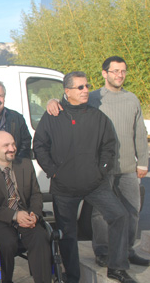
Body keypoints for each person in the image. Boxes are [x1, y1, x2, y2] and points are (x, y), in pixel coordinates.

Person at [46, 56, 149, 268]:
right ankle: (102, 251)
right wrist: (52, 102)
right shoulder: (92, 97)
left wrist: (143, 162)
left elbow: (140, 132)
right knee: (101, 213)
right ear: (105, 73)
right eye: (115, 71)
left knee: (131, 210)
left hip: (128, 166)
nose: (119, 75)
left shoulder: (132, 99)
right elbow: (68, 101)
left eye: (123, 71)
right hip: (102, 169)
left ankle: (126, 251)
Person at [33, 71, 135, 283]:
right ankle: (72, 277)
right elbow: (40, 146)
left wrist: (102, 170)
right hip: (64, 188)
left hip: (94, 184)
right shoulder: (52, 116)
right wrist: (53, 172)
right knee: (67, 234)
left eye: (87, 86)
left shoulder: (98, 117)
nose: (86, 90)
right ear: (67, 91)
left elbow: (109, 146)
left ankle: (117, 267)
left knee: (119, 216)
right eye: (80, 87)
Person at [0, 131, 51, 283]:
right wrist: (14, 215)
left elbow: (36, 195)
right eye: (6, 145)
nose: (12, 148)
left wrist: (34, 214)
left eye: (13, 144)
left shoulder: (25, 165)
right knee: (6, 243)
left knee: (40, 237)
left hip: (27, 216)